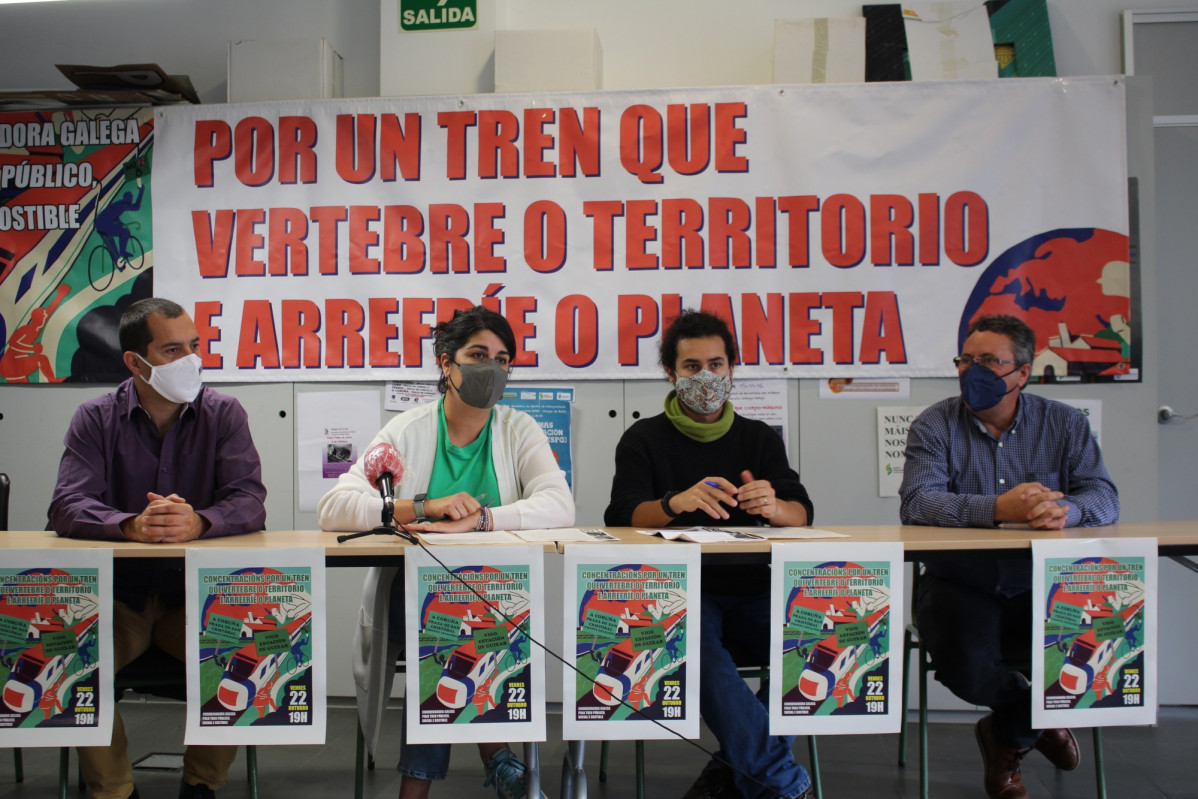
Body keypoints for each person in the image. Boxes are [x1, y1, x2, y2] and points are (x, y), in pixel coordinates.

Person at [317, 305, 573, 799]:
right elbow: (336, 507)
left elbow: (559, 504)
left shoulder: (518, 429)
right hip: (412, 596)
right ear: (445, 363)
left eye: (503, 359)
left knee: (457, 627)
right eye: (478, 355)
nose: (491, 369)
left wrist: (484, 519)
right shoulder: (406, 430)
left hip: (500, 596)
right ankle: (497, 758)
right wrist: (420, 506)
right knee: (448, 626)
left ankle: (418, 788)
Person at [49, 297, 268, 799]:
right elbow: (66, 504)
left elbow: (249, 500)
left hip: (191, 600)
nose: (190, 359)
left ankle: (201, 786)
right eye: (172, 350)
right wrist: (127, 525)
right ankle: (116, 791)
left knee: (243, 653)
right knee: (72, 661)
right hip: (116, 601)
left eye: (194, 346)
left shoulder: (224, 413)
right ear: (134, 361)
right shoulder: (94, 417)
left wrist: (199, 522)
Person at [899, 314, 1120, 799]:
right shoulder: (935, 423)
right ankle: (1039, 718)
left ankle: (1008, 735)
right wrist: (998, 509)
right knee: (969, 671)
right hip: (962, 581)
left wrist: (1066, 510)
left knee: (1099, 655)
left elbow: (1104, 495)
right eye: (966, 360)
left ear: (1022, 372)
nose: (972, 371)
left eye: (989, 362)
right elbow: (918, 502)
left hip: (1046, 581)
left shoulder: (1062, 423)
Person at [604, 309, 815, 799]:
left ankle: (737, 768)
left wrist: (775, 506)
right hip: (678, 593)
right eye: (692, 367)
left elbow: (802, 511)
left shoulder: (759, 437)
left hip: (755, 587)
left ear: (733, 369)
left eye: (716, 365)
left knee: (818, 643)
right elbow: (620, 516)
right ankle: (781, 781)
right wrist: (674, 504)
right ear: (671, 373)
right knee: (693, 649)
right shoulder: (643, 439)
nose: (706, 377)